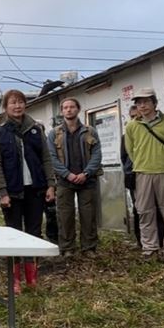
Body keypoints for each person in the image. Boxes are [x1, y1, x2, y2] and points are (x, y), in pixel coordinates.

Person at [0, 89, 56, 293]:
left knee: (34, 233)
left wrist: (51, 184)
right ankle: (15, 279)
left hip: (35, 190)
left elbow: (46, 158)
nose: (17, 106)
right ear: (6, 107)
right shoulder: (0, 133)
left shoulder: (36, 130)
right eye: (13, 103)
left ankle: (32, 277)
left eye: (20, 102)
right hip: (12, 192)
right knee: (14, 234)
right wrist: (2, 192)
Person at [124, 87, 164, 268]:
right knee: (145, 213)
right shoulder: (132, 126)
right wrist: (142, 164)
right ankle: (149, 249)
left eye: (146, 102)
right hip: (143, 173)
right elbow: (131, 150)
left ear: (154, 103)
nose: (142, 106)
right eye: (139, 103)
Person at [48, 98, 103, 257]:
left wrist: (85, 173)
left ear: (78, 109)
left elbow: (97, 155)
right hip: (64, 181)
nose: (69, 110)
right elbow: (52, 158)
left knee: (88, 215)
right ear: (62, 111)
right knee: (65, 215)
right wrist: (68, 174)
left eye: (72, 107)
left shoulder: (89, 131)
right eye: (65, 107)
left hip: (87, 180)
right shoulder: (54, 133)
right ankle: (67, 248)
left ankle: (89, 247)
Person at [121, 104, 164, 248]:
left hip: (155, 174)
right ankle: (141, 242)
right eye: (133, 116)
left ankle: (161, 240)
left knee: (158, 208)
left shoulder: (156, 130)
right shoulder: (126, 135)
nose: (136, 118)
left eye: (137, 115)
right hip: (134, 176)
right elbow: (124, 157)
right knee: (139, 210)